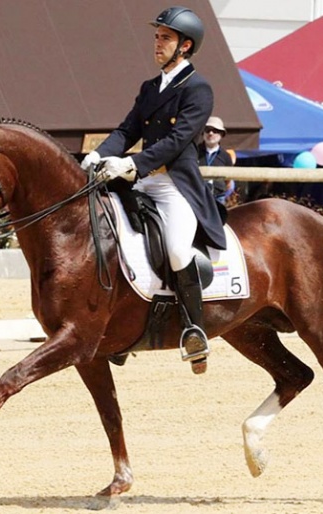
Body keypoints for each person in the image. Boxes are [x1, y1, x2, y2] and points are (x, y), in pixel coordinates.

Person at [80, 6, 225, 374]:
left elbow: (178, 140)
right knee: (106, 235)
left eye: (165, 38)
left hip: (175, 185)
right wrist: (96, 154)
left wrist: (131, 164)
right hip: (141, 181)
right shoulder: (150, 87)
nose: (156, 43)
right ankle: (121, 323)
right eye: (157, 37)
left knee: (176, 250)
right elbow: (128, 131)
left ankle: (194, 328)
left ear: (185, 46)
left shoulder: (198, 88)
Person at [197, 116, 237, 205]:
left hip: (218, 197)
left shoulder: (226, 156)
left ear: (221, 135)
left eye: (215, 131)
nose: (210, 133)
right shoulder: (194, 152)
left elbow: (228, 180)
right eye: (207, 130)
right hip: (197, 195)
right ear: (203, 133)